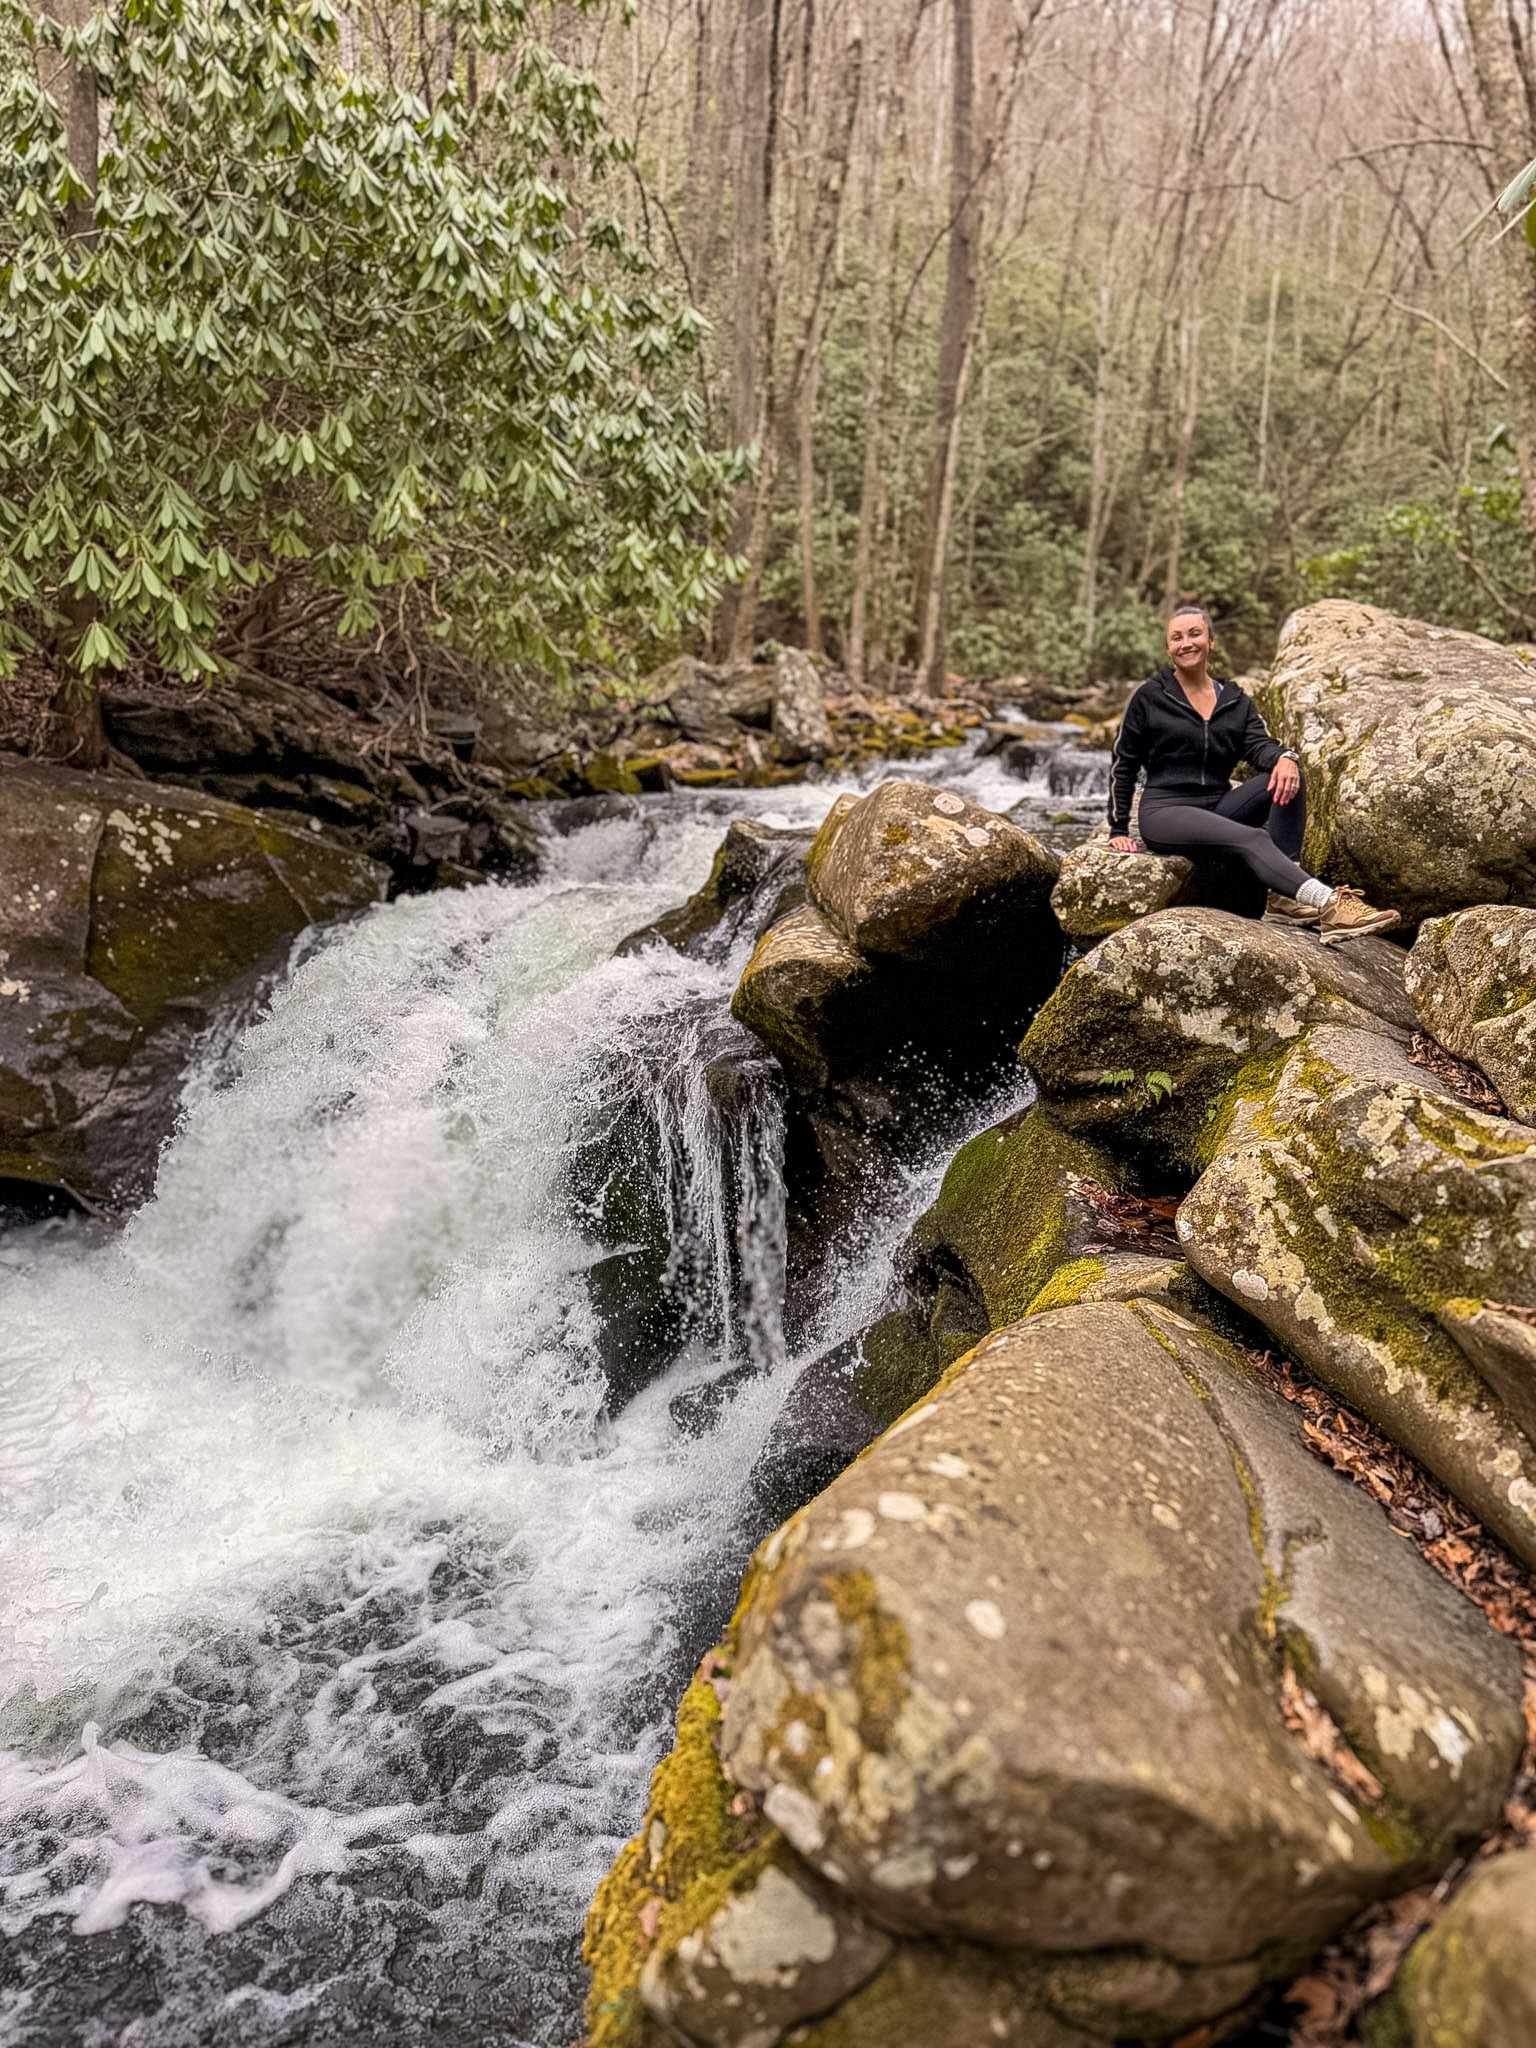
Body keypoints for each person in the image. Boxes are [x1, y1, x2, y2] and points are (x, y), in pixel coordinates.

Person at [1107, 605, 1399, 942]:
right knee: (1255, 837)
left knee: (1288, 776)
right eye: (1177, 637)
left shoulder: (1233, 700)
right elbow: (1123, 761)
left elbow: (1259, 746)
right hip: (1167, 812)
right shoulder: (1149, 698)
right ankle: (1329, 904)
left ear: (1211, 642)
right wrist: (1117, 827)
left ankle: (1283, 897)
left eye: (1194, 634)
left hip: (1217, 808)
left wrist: (1286, 757)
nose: (1186, 643)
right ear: (1169, 648)